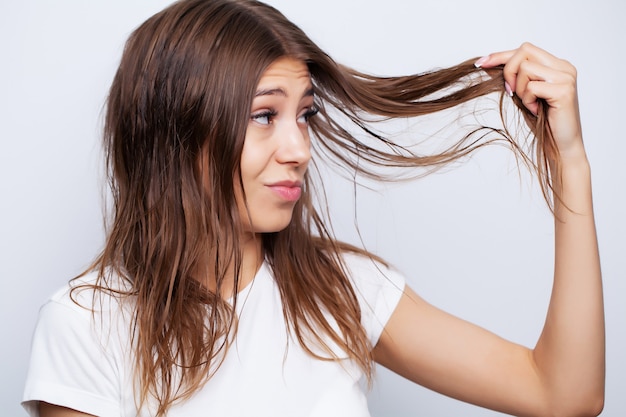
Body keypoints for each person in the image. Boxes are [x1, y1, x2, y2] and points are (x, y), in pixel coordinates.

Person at [22, 0, 605, 416]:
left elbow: (563, 395)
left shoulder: (339, 289)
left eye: (305, 115)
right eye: (263, 116)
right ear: (178, 131)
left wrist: (570, 162)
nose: (299, 150)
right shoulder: (86, 325)